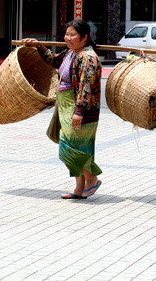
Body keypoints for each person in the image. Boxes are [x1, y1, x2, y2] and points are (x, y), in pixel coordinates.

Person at [22, 19, 103, 200]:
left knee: (70, 147)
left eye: (73, 35)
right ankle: (79, 188)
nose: (68, 38)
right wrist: (39, 47)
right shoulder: (70, 53)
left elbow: (86, 87)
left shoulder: (88, 57)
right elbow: (53, 60)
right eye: (67, 34)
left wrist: (79, 111)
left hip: (80, 108)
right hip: (65, 105)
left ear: (84, 37)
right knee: (76, 146)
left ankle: (92, 178)